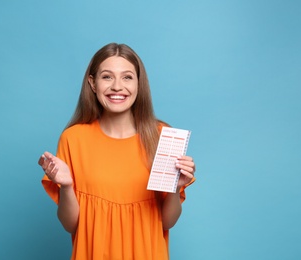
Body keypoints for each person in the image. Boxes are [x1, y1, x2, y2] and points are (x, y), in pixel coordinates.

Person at [38, 43, 196, 260]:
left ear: (139, 84)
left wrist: (175, 189)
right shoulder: (73, 138)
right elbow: (70, 225)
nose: (117, 86)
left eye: (127, 77)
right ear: (93, 83)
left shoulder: (162, 136)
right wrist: (66, 187)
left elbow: (167, 222)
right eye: (107, 77)